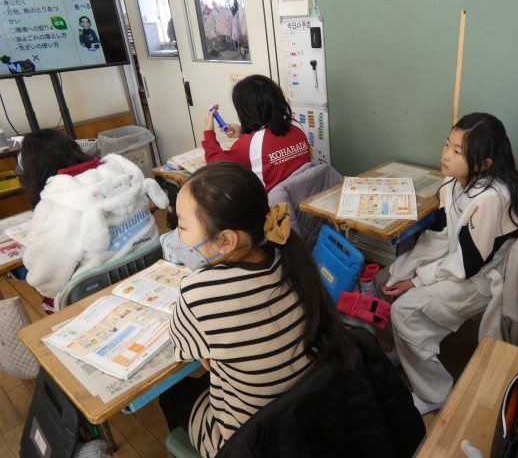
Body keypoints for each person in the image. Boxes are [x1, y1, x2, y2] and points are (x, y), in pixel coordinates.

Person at [159, 162, 425, 457]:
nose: (177, 234)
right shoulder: (289, 255)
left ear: (226, 240)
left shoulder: (196, 293)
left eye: (182, 226)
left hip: (252, 442)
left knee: (172, 392)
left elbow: (192, 354)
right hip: (317, 416)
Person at [379, 112, 518, 414]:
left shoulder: (491, 199)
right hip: (462, 263)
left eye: (457, 151)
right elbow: (439, 237)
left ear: (484, 163)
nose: (446, 155)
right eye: (447, 145)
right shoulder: (455, 182)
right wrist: (403, 272)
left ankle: (435, 393)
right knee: (385, 280)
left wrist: (416, 281)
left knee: (404, 311)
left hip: (482, 280)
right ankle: (410, 349)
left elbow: (467, 266)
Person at [21, 129, 168, 313]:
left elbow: (47, 278)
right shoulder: (123, 176)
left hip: (97, 296)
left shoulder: (57, 207)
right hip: (153, 270)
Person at [201, 74, 311, 192]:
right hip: (305, 194)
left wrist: (208, 131)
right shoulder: (296, 125)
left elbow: (214, 166)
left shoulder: (247, 145)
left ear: (246, 110)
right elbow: (273, 141)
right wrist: (243, 130)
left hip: (273, 202)